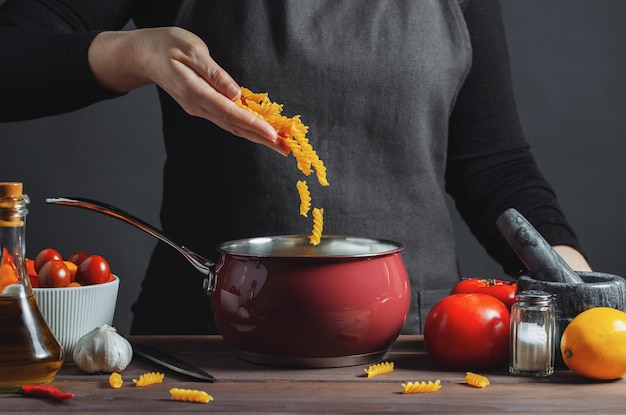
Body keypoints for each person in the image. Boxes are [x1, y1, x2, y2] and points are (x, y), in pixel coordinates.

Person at [0, 0, 591, 335]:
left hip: (418, 341)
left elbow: (494, 166)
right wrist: (132, 53)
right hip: (206, 336)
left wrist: (576, 287)